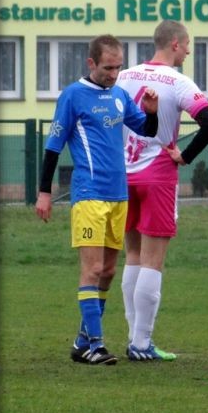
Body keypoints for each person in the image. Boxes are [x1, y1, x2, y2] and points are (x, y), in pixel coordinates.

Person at [35, 34, 159, 365]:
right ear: (91, 63)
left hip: (119, 194)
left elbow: (146, 130)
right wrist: (44, 192)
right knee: (91, 269)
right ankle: (96, 345)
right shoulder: (72, 96)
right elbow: (53, 147)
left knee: (108, 271)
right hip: (89, 194)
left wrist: (152, 113)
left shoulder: (119, 95)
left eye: (118, 67)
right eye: (108, 68)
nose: (114, 74)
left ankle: (81, 342)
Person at [116, 20, 208, 362]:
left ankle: (134, 337)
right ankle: (142, 343)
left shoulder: (124, 76)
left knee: (132, 256)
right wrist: (185, 156)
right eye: (187, 44)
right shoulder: (178, 81)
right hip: (158, 174)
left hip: (124, 173)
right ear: (175, 43)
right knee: (152, 262)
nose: (189, 51)